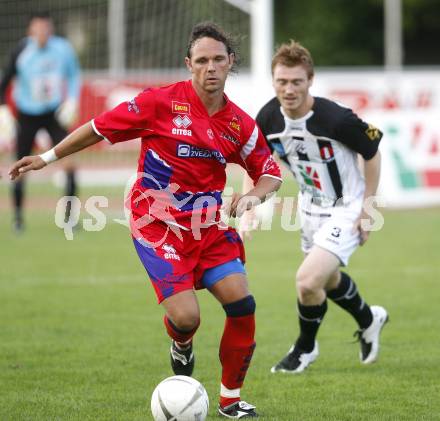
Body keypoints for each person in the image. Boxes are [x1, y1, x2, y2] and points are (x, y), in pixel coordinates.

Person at [9, 22, 282, 418]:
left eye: (218, 59)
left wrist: (253, 197)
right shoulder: (159, 103)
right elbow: (97, 129)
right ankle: (181, 341)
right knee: (188, 318)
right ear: (188, 64)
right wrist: (47, 157)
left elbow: (270, 171)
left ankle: (230, 400)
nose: (210, 67)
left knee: (242, 303)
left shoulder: (240, 124)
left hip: (207, 226)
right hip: (156, 224)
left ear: (230, 63)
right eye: (201, 60)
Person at [247, 40, 388, 374]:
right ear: (273, 82)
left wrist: (368, 208)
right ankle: (370, 320)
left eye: (297, 81)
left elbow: (372, 152)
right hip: (309, 209)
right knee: (327, 281)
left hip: (347, 207)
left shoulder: (336, 118)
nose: (289, 88)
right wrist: (251, 206)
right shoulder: (267, 118)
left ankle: (304, 349)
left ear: (310, 80)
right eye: (282, 81)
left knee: (307, 281)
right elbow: (255, 163)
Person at [0, 11, 81, 232]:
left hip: (53, 113)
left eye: (47, 29)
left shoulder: (63, 49)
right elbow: (4, 81)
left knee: (70, 161)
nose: (43, 33)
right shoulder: (21, 50)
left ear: (51, 29)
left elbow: (74, 74)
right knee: (20, 166)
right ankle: (17, 218)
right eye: (38, 29)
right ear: (31, 31)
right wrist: (4, 110)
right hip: (26, 115)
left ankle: (70, 218)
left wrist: (72, 99)